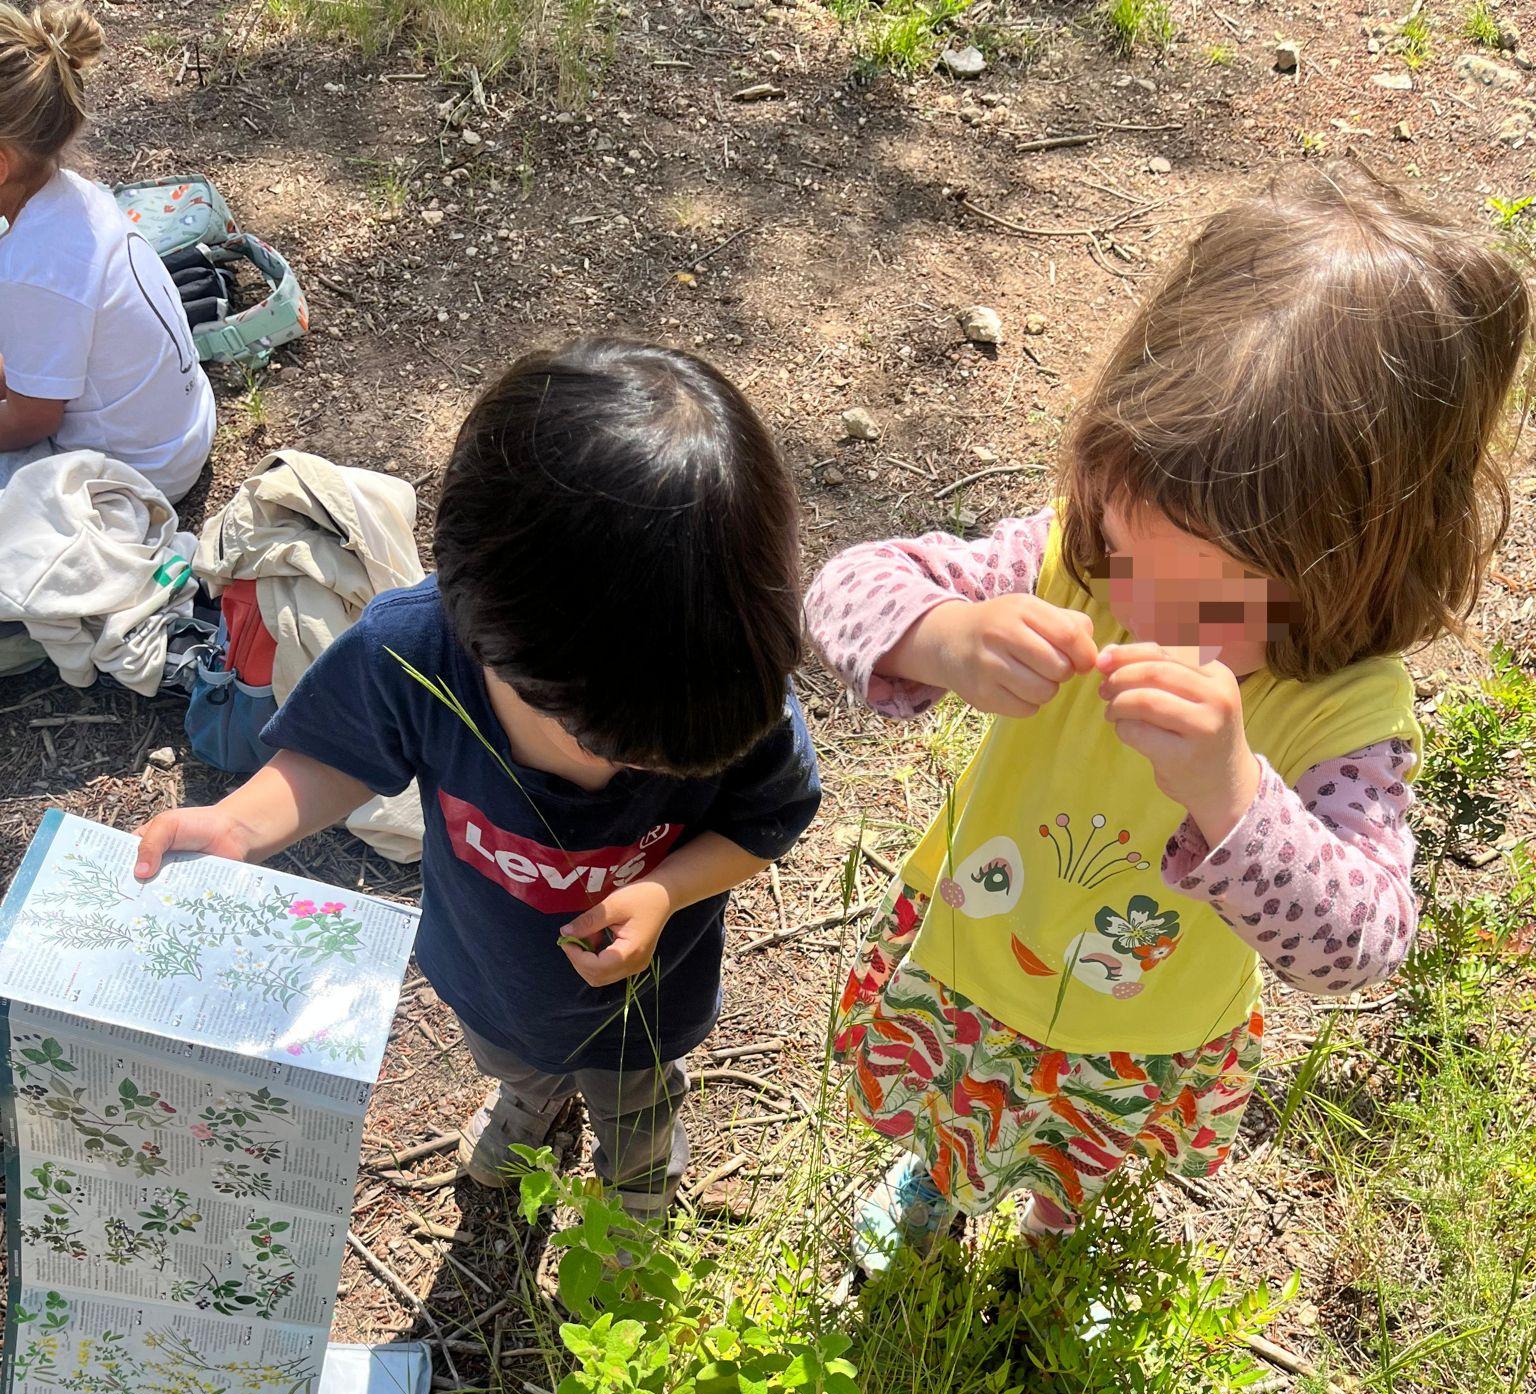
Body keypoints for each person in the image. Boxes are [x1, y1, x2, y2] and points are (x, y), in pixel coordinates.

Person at [806, 165, 1527, 1272]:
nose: (1142, 612)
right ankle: (938, 1184)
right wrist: (943, 637)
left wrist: (1233, 791)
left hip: (1142, 1028)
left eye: (1210, 601)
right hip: (974, 952)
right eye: (1133, 557)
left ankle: (1056, 1242)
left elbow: (1362, 943)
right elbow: (846, 588)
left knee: (1083, 1160)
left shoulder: (1343, 709)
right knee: (957, 1110)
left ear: (1350, 571)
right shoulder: (1070, 562)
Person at [134, 337, 820, 1217]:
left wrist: (666, 891)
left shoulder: (722, 686)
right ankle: (529, 1103)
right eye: (578, 727)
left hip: (647, 999)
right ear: (478, 619)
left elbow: (768, 820)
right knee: (510, 1055)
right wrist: (237, 825)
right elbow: (333, 756)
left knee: (638, 1098)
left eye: (650, 759)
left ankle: (638, 1179)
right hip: (488, 973)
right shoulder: (414, 653)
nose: (604, 764)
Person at [0, 1, 215, 499]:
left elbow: (32, 421)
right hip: (180, 432)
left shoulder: (32, 268)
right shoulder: (73, 197)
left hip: (137, 475)